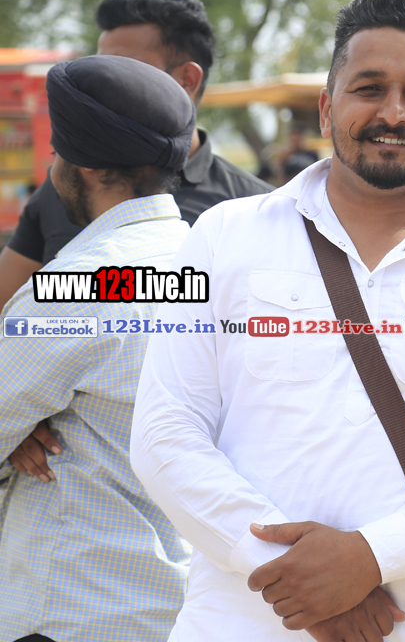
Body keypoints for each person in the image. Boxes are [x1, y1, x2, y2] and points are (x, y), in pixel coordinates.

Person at [130, 0, 405, 641]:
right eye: (368, 88)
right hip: (245, 620)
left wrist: (372, 557)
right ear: (326, 108)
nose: (393, 111)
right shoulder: (222, 238)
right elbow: (165, 433)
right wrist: (293, 577)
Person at [0, 55, 197, 641]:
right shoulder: (215, 267)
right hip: (187, 606)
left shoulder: (79, 285)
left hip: (75, 609)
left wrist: (17, 438)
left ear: (80, 164)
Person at [0, 0, 272, 310]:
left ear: (187, 79)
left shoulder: (256, 207)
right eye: (100, 68)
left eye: (124, 67)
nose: (102, 84)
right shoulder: (67, 185)